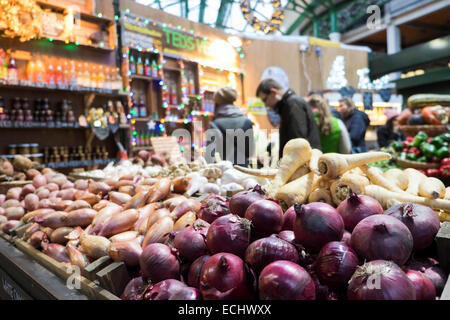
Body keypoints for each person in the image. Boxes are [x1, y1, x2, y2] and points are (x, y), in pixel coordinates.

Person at [256, 78, 321, 159]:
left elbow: (298, 142)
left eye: (265, 100)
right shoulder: (289, 104)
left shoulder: (293, 104)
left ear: (273, 92)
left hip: (303, 164)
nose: (266, 105)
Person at [207, 86, 254, 166]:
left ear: (217, 103)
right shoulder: (247, 121)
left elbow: (210, 155)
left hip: (223, 171)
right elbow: (250, 152)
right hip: (243, 171)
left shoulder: (215, 124)